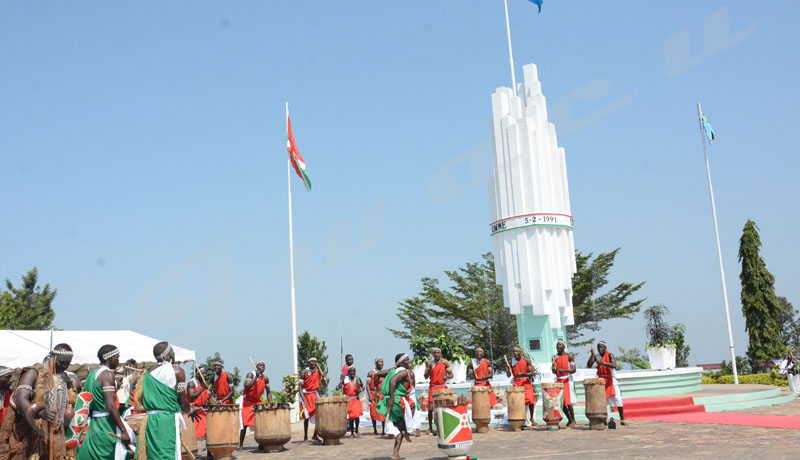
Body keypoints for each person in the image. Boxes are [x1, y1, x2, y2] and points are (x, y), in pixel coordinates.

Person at [1, 343, 75, 460]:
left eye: (68, 363)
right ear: (52, 358)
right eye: (61, 362)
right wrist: (40, 413)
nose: (65, 366)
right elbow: (21, 399)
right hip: (29, 434)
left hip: (54, 435)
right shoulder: (34, 372)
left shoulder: (65, 379)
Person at [136, 341, 195, 458]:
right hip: (167, 420)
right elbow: (183, 401)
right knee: (168, 453)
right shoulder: (178, 371)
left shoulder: (147, 374)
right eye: (172, 351)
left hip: (151, 420)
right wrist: (191, 411)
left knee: (153, 455)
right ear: (168, 355)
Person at [76, 345, 134, 460]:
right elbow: (111, 405)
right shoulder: (107, 374)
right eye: (117, 357)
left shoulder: (92, 374)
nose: (118, 360)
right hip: (106, 424)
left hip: (94, 424)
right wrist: (123, 430)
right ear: (110, 358)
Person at [377, 354, 414, 460]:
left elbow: (378, 374)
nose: (409, 361)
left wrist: (376, 389)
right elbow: (392, 381)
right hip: (397, 401)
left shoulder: (393, 370)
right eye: (407, 360)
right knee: (413, 405)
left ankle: (395, 454)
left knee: (398, 427)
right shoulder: (403, 371)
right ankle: (405, 429)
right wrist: (392, 400)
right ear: (401, 363)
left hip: (386, 400)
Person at [587, 341, 627, 425]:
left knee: (618, 399)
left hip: (611, 380)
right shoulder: (596, 356)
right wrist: (592, 355)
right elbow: (589, 365)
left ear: (605, 348)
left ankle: (622, 418)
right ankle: (604, 420)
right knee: (602, 401)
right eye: (598, 347)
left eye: (602, 347)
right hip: (601, 381)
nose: (600, 349)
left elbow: (614, 365)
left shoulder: (610, 355)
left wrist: (603, 363)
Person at [240, 361, 271, 449]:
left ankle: (261, 444)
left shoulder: (265, 378)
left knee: (261, 422)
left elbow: (268, 392)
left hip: (257, 402)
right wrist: (256, 378)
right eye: (260, 365)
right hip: (247, 402)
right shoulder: (251, 375)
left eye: (263, 365)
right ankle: (241, 445)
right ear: (256, 367)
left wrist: (270, 404)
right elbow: (247, 387)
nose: (262, 367)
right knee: (245, 424)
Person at [506, 346, 537, 429]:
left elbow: (531, 373)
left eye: (517, 351)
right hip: (517, 383)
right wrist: (508, 371)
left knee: (530, 400)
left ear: (521, 352)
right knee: (519, 402)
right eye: (514, 351)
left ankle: (531, 418)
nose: (515, 353)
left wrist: (523, 374)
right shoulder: (511, 362)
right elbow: (508, 375)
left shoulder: (526, 361)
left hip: (526, 382)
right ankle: (522, 420)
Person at [424, 348, 452, 435]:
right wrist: (429, 368)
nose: (436, 354)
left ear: (441, 354)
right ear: (433, 354)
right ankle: (430, 427)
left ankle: (444, 426)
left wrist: (446, 377)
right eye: (435, 353)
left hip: (442, 387)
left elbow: (451, 375)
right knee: (431, 408)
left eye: (438, 353)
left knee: (444, 406)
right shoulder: (430, 364)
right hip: (433, 387)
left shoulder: (445, 363)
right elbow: (425, 376)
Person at [299, 357, 327, 443]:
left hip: (314, 395)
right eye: (311, 361)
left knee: (318, 414)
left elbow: (324, 385)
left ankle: (315, 435)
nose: (313, 363)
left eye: (315, 361)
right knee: (307, 416)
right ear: (308, 363)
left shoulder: (318, 372)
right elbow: (299, 387)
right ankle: (305, 437)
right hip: (306, 395)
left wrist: (323, 378)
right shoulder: (304, 372)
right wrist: (303, 400)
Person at [552, 339, 577, 427]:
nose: (557, 347)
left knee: (568, 401)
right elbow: (553, 372)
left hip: (567, 380)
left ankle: (573, 420)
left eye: (559, 345)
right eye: (557, 346)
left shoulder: (569, 356)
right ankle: (569, 419)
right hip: (559, 380)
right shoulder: (554, 357)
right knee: (561, 402)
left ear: (563, 346)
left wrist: (564, 370)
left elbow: (574, 370)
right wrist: (554, 368)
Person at [187, 367, 215, 442]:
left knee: (208, 432)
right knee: (193, 434)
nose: (205, 375)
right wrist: (203, 389)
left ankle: (209, 452)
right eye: (202, 373)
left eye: (205, 373)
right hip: (193, 411)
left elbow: (208, 397)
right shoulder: (192, 383)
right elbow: (192, 396)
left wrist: (211, 401)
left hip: (202, 410)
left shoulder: (204, 383)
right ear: (197, 374)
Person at [336, 366, 363, 437]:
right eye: (350, 371)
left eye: (353, 371)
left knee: (357, 416)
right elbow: (338, 386)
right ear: (348, 372)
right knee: (351, 417)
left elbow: (363, 386)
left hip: (356, 399)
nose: (352, 373)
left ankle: (357, 430)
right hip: (348, 400)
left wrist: (360, 390)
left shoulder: (358, 378)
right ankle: (352, 433)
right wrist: (338, 387)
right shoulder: (345, 379)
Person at [367, 358, 385, 436]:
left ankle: (384, 430)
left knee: (382, 412)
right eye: (380, 362)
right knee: (373, 412)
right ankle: (375, 430)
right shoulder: (371, 373)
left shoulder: (384, 373)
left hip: (381, 395)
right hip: (373, 395)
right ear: (376, 363)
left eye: (382, 362)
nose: (382, 363)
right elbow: (367, 385)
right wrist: (369, 396)